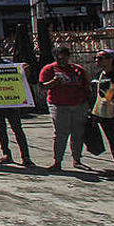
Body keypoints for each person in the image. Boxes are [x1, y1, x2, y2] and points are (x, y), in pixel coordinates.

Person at [39, 44, 91, 172]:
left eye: (64, 58)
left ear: (68, 57)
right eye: (58, 58)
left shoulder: (77, 69)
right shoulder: (49, 69)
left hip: (79, 104)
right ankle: (57, 161)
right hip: (59, 105)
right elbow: (42, 86)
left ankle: (77, 159)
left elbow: (87, 86)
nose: (61, 61)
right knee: (61, 134)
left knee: (77, 133)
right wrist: (53, 82)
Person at [0, 41, 34, 167]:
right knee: (1, 130)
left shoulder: (10, 65)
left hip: (10, 103)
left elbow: (20, 78)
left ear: (1, 51)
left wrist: (25, 71)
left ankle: (25, 156)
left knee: (17, 129)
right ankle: (6, 153)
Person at [90, 49, 114, 176]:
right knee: (113, 140)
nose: (97, 61)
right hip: (104, 114)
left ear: (111, 59)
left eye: (101, 58)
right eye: (96, 58)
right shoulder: (99, 75)